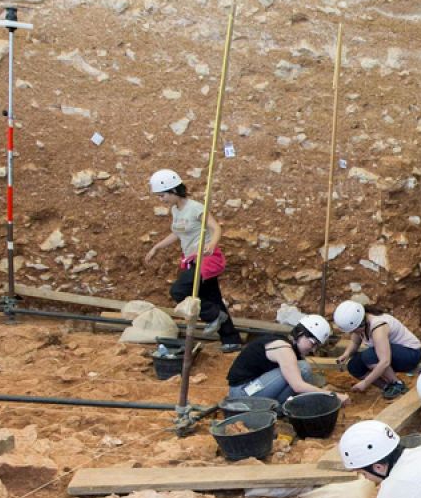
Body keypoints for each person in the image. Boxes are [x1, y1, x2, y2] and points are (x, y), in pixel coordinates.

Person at [143, 169, 243, 352]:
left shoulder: (196, 208)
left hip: (205, 260)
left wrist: (212, 243)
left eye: (163, 195)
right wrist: (157, 247)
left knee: (178, 290)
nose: (161, 200)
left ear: (174, 191)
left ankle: (213, 316)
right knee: (213, 298)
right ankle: (232, 339)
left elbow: (215, 228)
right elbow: (177, 232)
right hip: (190, 259)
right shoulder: (175, 210)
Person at [225, 314, 345, 403]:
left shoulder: (285, 343)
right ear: (300, 334)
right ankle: (283, 408)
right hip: (242, 395)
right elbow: (298, 386)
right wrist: (332, 395)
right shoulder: (283, 349)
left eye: (317, 346)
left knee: (301, 369)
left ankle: (279, 409)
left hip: (250, 390)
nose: (313, 350)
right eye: (313, 343)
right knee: (302, 369)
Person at [334, 300, 421, 399]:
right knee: (354, 365)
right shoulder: (360, 324)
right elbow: (355, 342)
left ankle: (397, 384)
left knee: (369, 355)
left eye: (353, 330)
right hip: (391, 354)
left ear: (360, 324)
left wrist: (365, 383)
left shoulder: (378, 327)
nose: (352, 333)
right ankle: (387, 386)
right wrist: (346, 354)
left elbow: (385, 361)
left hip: (410, 354)